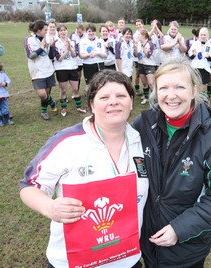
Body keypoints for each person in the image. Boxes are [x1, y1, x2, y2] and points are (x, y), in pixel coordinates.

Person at [20, 69, 149, 268]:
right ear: (91, 104)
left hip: (126, 260)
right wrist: (50, 208)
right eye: (104, 97)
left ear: (131, 102)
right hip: (72, 262)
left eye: (121, 96)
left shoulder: (142, 141)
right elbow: (29, 186)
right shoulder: (67, 142)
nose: (113, 102)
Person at [133, 57, 211, 267]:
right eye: (164, 87)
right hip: (145, 241)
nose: (171, 95)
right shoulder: (143, 125)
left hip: (185, 250)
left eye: (180, 87)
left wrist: (179, 229)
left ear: (194, 90)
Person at [24, 20, 58, 120]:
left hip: (48, 69)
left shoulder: (46, 38)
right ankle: (52, 102)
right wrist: (42, 47)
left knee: (47, 93)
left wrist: (51, 47)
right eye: (45, 30)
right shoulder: (29, 40)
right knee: (42, 94)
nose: (47, 32)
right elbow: (31, 56)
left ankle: (44, 111)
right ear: (38, 30)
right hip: (37, 71)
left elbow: (50, 55)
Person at [53, 24, 86, 117]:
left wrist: (70, 48)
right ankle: (64, 108)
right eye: (61, 30)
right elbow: (59, 58)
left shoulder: (72, 42)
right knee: (63, 90)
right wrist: (67, 50)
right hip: (61, 69)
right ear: (58, 32)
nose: (63, 32)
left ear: (67, 31)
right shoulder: (56, 43)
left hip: (72, 68)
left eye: (64, 30)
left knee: (75, 88)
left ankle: (79, 107)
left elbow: (75, 55)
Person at [79, 23, 107, 92]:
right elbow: (81, 56)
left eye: (93, 31)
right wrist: (89, 55)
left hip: (99, 64)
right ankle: (89, 99)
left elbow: (105, 55)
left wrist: (97, 53)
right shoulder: (82, 41)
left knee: (101, 83)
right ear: (86, 32)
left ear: (95, 32)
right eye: (89, 31)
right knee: (89, 84)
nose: (91, 33)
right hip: (88, 65)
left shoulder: (100, 41)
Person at [134, 29, 157, 105]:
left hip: (149, 65)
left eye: (139, 35)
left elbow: (148, 55)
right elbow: (136, 55)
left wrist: (143, 48)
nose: (138, 36)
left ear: (143, 35)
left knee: (151, 83)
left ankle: (155, 99)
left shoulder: (149, 43)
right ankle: (146, 97)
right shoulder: (138, 44)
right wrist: (135, 48)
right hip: (141, 64)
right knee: (144, 83)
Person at [187, 27, 211, 92]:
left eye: (204, 35)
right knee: (194, 86)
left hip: (204, 68)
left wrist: (208, 57)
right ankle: (194, 101)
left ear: (207, 35)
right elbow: (190, 56)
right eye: (201, 35)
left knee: (202, 88)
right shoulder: (195, 44)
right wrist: (193, 54)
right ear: (199, 35)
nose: (203, 36)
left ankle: (202, 101)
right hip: (195, 67)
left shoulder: (209, 45)